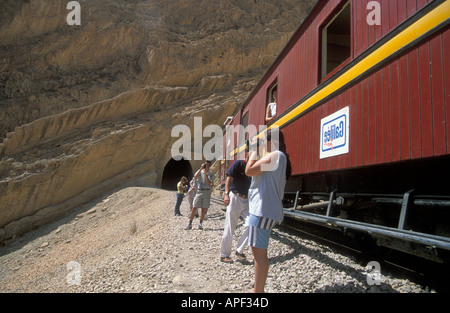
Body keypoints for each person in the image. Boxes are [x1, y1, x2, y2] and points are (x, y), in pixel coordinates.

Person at [245, 128, 292, 293]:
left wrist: (252, 153)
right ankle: (258, 290)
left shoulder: (276, 155)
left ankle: (258, 293)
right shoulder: (279, 157)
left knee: (259, 253)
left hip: (262, 210)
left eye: (264, 141)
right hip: (264, 210)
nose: (262, 145)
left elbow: (249, 171)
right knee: (258, 251)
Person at [219, 149, 251, 263]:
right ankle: (224, 254)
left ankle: (239, 250)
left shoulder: (253, 167)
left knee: (250, 225)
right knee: (230, 227)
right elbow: (228, 179)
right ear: (246, 153)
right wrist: (226, 194)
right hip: (235, 197)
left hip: (247, 200)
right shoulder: (238, 163)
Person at [184, 161, 214, 230]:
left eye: (208, 165)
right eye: (206, 165)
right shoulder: (200, 171)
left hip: (206, 191)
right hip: (199, 191)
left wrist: (206, 174)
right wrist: (201, 169)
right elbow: (195, 177)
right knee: (194, 207)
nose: (207, 166)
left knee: (204, 209)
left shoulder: (211, 174)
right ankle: (190, 223)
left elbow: (208, 182)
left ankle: (200, 223)